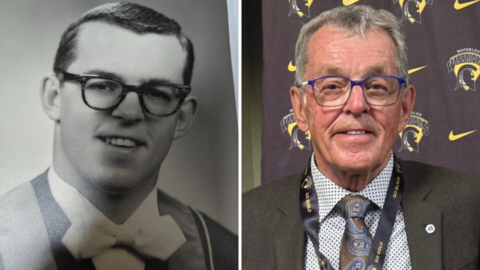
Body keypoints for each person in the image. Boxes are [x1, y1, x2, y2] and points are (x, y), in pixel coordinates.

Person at [0, 3, 236, 270]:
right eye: (101, 85)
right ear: (54, 98)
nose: (129, 112)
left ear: (181, 118)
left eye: (156, 93)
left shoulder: (229, 254)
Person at [243, 5, 480, 270]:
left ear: (404, 107)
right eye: (332, 87)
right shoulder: (244, 223)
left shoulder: (472, 206)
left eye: (377, 86)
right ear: (300, 108)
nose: (356, 105)